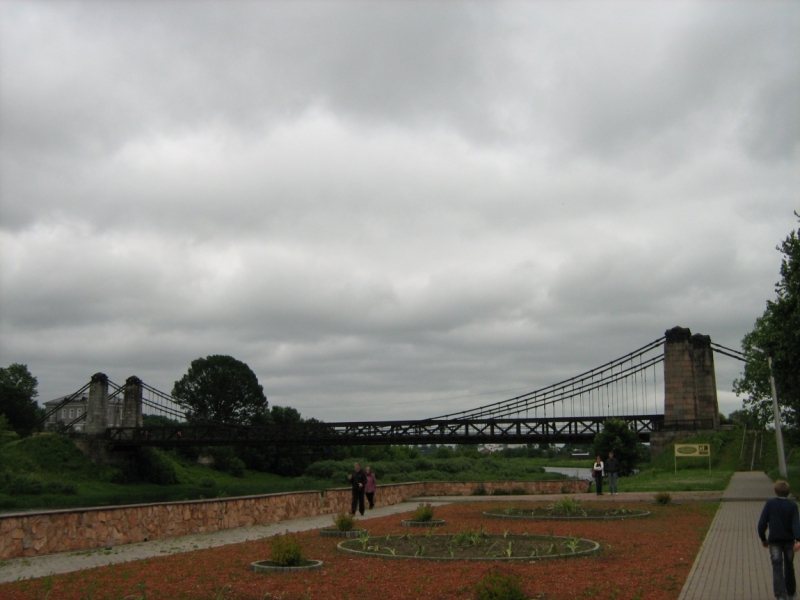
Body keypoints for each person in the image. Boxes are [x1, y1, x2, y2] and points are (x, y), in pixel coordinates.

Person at [758, 480, 800, 600]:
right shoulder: (793, 506)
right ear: (788, 492)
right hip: (789, 541)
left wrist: (763, 538)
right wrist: (798, 539)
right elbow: (795, 524)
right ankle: (791, 592)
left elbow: (762, 523)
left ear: (775, 491)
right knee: (789, 566)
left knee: (777, 567)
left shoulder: (770, 504)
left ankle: (780, 595)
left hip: (774, 541)